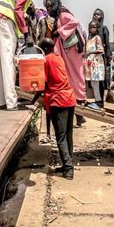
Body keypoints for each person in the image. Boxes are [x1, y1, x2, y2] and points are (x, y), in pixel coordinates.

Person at [0, 0, 45, 110]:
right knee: (8, 61)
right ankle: (11, 103)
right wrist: (25, 33)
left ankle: (0, 102)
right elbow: (17, 9)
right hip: (4, 18)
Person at [31, 38, 76, 180]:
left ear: (44, 49)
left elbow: (43, 83)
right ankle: (67, 164)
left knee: (60, 137)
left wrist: (32, 100)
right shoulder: (59, 58)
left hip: (59, 100)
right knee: (68, 134)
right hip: (69, 98)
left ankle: (69, 169)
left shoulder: (46, 60)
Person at [44, 0, 87, 126]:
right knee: (68, 76)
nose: (49, 9)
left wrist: (60, 31)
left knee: (76, 75)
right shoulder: (56, 16)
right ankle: (78, 112)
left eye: (50, 6)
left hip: (73, 50)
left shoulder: (63, 13)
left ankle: (80, 107)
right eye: (47, 7)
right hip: (66, 50)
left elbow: (74, 22)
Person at [92, 8, 112, 106]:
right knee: (94, 80)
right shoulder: (92, 29)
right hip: (92, 59)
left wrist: (108, 59)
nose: (96, 16)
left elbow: (107, 45)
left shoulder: (104, 29)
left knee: (101, 81)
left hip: (101, 58)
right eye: (95, 14)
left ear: (102, 16)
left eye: (98, 15)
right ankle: (97, 100)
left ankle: (100, 102)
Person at [84, 21, 105, 109]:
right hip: (90, 64)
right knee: (92, 83)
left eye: (93, 27)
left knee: (95, 84)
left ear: (97, 29)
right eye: (90, 27)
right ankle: (96, 100)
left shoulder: (97, 38)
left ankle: (98, 102)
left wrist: (90, 52)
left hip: (95, 64)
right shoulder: (88, 38)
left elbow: (101, 50)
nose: (91, 29)